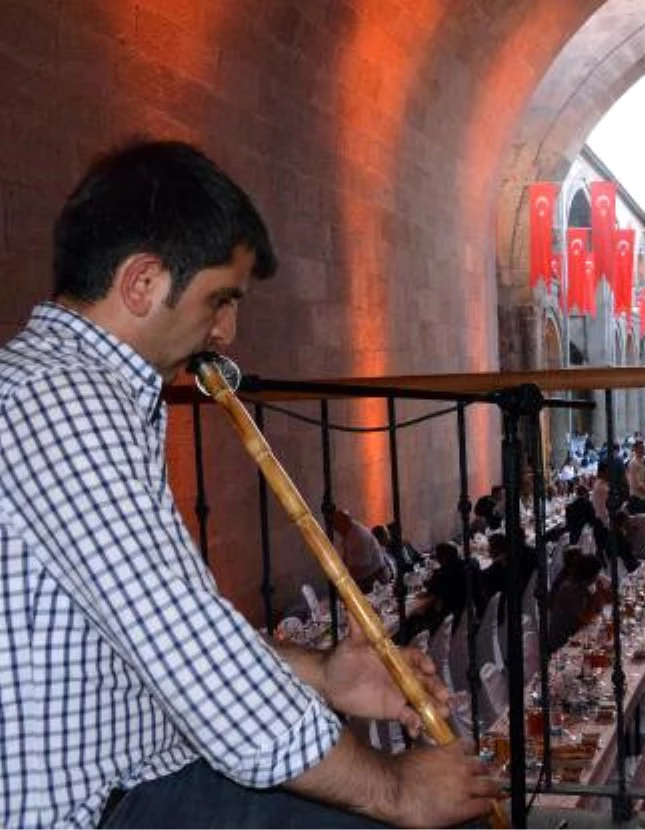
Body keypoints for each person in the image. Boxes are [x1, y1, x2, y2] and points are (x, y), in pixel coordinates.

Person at [0, 141, 495, 828]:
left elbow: (158, 637)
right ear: (142, 283)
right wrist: (395, 790)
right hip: (94, 810)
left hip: (144, 780)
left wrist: (324, 673)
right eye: (219, 299)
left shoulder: (76, 392)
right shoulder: (60, 400)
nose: (227, 331)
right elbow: (187, 649)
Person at [326, 507, 390, 591]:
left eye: (336, 526)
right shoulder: (349, 532)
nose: (335, 530)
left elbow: (361, 565)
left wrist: (344, 578)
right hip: (367, 579)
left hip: (374, 581)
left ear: (343, 523)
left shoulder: (358, 536)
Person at [626, 438, 645, 512]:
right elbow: (637, 483)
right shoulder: (633, 463)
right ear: (635, 449)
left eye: (644, 447)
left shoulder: (644, 460)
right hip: (638, 497)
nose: (643, 450)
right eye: (641, 448)